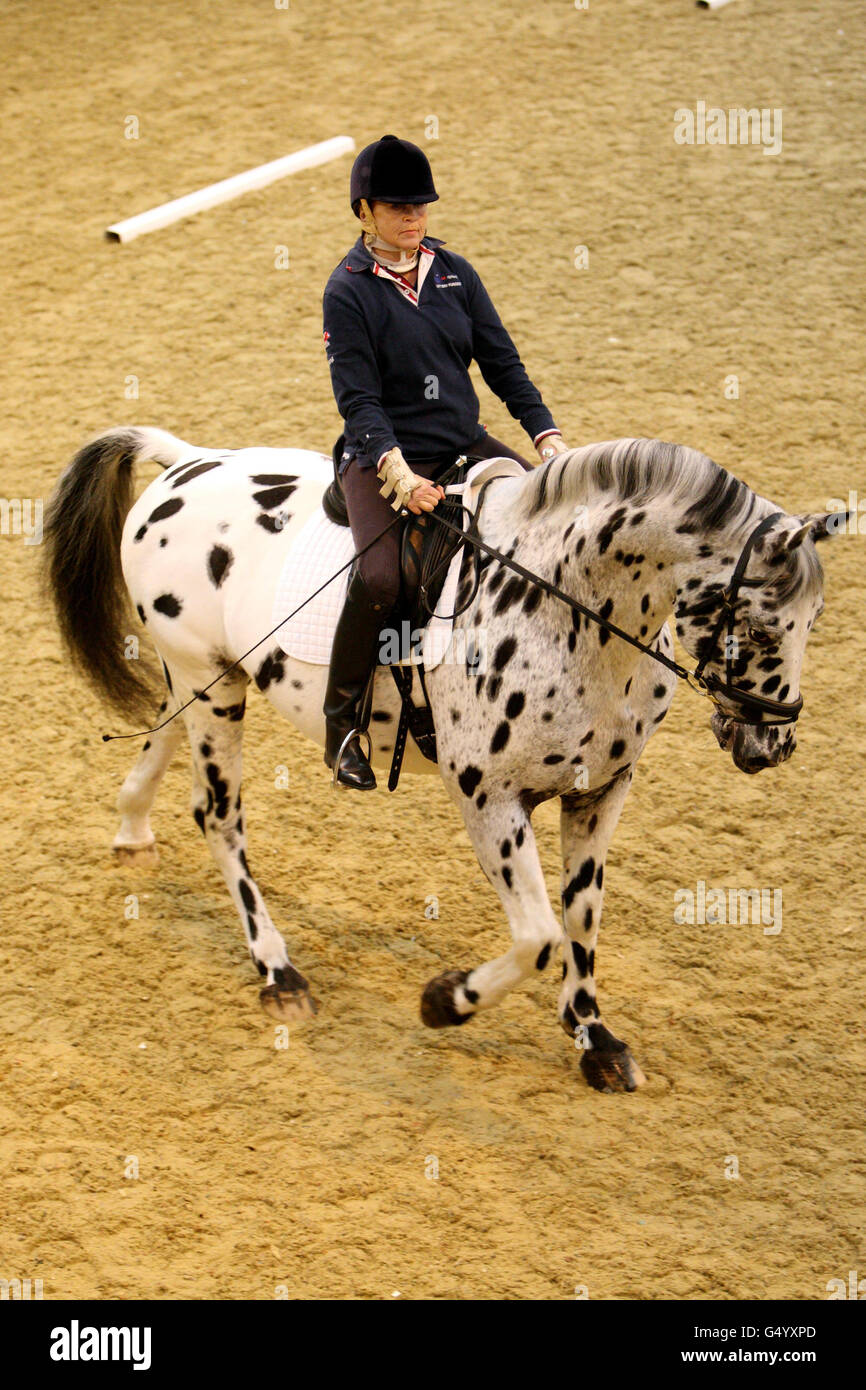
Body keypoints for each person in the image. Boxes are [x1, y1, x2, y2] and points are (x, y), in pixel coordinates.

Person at [321, 133, 568, 789]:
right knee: (379, 579)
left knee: (546, 526)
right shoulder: (347, 293)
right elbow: (360, 401)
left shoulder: (454, 273)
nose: (413, 218)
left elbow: (503, 364)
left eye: (421, 207)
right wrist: (400, 477)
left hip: (465, 444)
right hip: (380, 457)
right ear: (365, 210)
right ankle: (343, 724)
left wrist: (547, 439)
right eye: (399, 208)